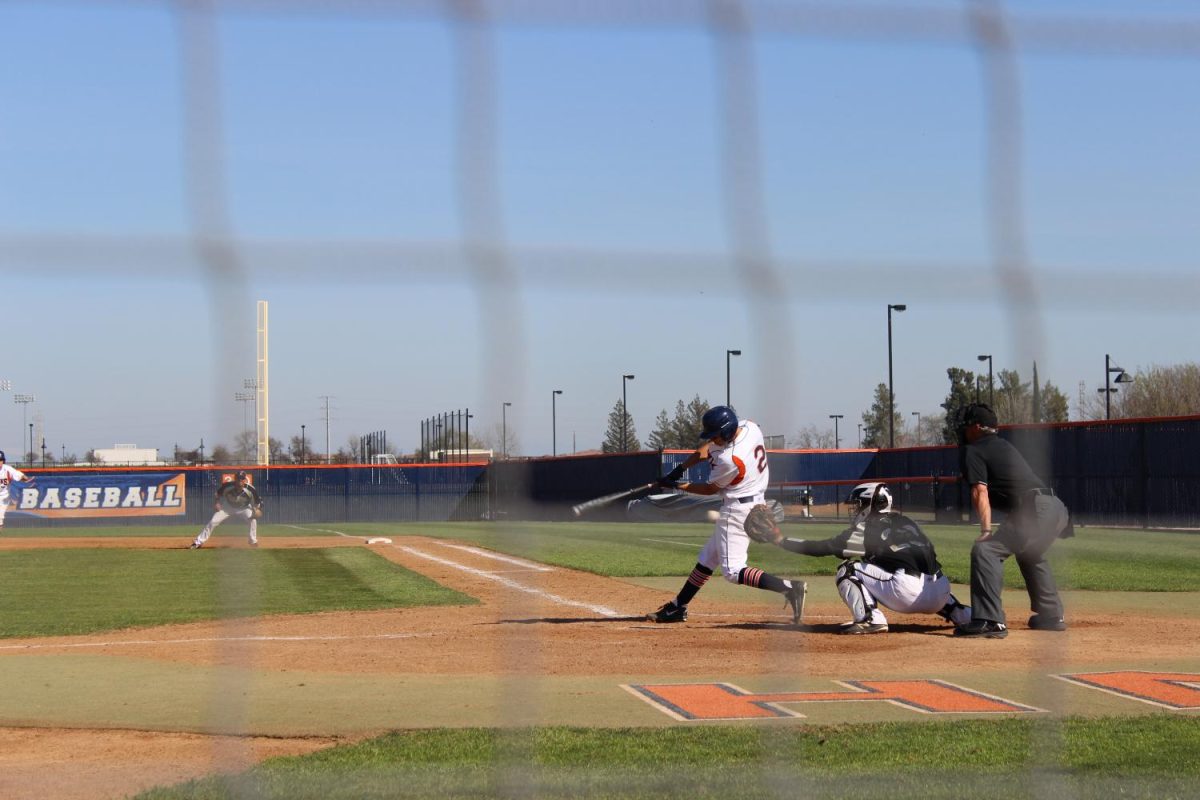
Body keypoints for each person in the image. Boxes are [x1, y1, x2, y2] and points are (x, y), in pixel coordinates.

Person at [646, 405, 807, 624]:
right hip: (754, 502)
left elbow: (710, 489)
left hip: (737, 510)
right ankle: (677, 607)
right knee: (708, 558)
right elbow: (707, 449)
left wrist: (676, 485)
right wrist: (680, 468)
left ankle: (789, 588)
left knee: (732, 571)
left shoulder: (730, 459)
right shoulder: (750, 427)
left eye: (716, 435)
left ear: (728, 432)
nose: (714, 439)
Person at [770, 482, 971, 634]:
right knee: (920, 569)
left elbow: (821, 547)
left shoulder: (866, 528)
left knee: (848, 569)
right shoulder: (907, 521)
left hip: (906, 593)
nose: (856, 510)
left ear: (870, 504)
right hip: (941, 592)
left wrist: (780, 540)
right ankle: (962, 614)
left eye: (859, 505)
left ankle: (869, 618)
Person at [954, 403, 1072, 639]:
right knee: (1030, 553)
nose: (963, 430)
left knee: (986, 550)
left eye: (966, 426)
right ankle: (1051, 615)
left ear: (976, 428)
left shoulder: (974, 449)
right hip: (1056, 508)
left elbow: (980, 491)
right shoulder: (1001, 446)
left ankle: (990, 620)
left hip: (1036, 508)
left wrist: (986, 530)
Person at [189, 470, 263, 549]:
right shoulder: (227, 486)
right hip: (228, 507)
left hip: (243, 508)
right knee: (213, 521)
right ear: (235, 479)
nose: (240, 480)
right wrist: (217, 503)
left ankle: (252, 541)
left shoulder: (251, 489)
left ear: (245, 480)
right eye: (238, 478)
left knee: (252, 520)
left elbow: (257, 503)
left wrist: (258, 510)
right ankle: (198, 542)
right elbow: (217, 494)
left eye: (241, 478)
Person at [0, 450, 34, 531]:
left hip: (3, 497)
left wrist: (25, 478)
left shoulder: (7, 469)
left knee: (0, 517)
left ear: (3, 461)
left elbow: (19, 475)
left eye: (0, 460)